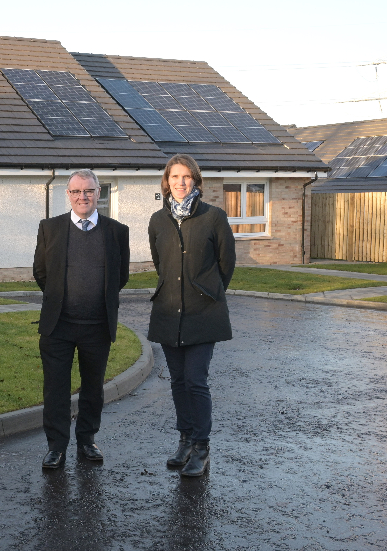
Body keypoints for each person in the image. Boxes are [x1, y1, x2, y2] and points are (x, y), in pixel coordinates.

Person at [33, 169, 130, 469]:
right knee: (56, 388)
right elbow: (41, 272)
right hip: (58, 326)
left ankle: (87, 440)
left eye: (88, 191)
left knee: (92, 388)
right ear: (69, 195)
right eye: (76, 192)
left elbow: (120, 276)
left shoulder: (117, 231)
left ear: (98, 193)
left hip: (97, 326)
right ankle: (56, 446)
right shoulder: (50, 228)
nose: (82, 197)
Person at [147, 154, 236, 477]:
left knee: (196, 381)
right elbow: (162, 265)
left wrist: (208, 291)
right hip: (169, 312)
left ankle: (201, 446)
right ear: (166, 182)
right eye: (175, 177)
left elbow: (226, 265)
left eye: (186, 177)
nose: (180, 183)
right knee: (178, 381)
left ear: (196, 181)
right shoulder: (158, 221)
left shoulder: (214, 217)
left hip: (203, 314)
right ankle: (184, 439)